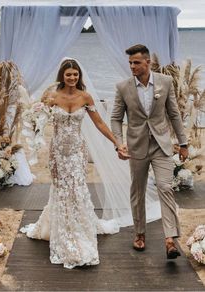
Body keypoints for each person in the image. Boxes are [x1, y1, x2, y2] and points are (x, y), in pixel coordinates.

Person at [20, 59, 127, 269]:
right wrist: (35, 125)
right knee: (61, 189)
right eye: (68, 74)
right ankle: (61, 228)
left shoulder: (85, 97)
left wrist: (117, 143)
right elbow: (35, 119)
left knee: (77, 188)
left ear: (79, 76)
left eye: (75, 75)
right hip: (58, 151)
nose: (72, 78)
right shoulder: (51, 97)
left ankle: (78, 229)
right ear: (62, 75)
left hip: (77, 151)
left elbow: (99, 123)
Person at [111, 44, 188, 259]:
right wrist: (119, 143)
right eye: (130, 63)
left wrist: (183, 143)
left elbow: (174, 114)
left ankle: (170, 239)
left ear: (148, 62)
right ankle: (139, 234)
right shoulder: (122, 87)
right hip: (136, 147)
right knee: (138, 191)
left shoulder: (165, 82)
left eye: (136, 62)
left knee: (165, 187)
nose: (132, 66)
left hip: (161, 145)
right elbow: (116, 118)